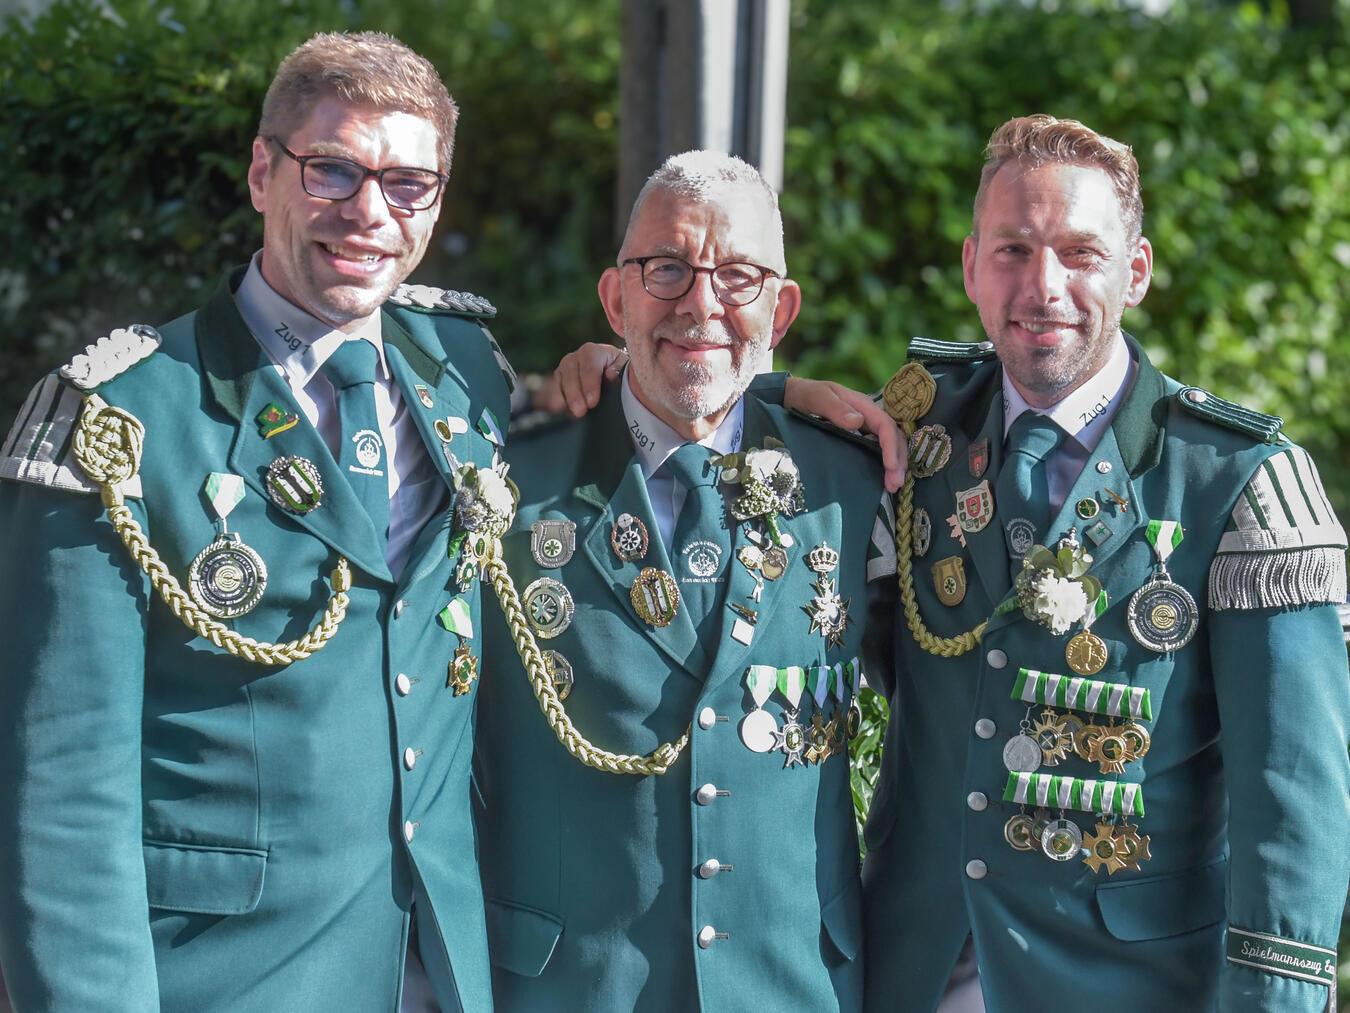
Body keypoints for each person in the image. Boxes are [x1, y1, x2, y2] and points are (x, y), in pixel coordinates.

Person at [0, 32, 513, 1010]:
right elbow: (62, 792)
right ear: (261, 173)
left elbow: (656, 403)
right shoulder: (117, 420)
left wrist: (785, 400)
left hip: (441, 974)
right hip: (228, 980)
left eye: (409, 184)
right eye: (334, 170)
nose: (370, 212)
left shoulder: (466, 374)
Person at [862, 114, 1349, 1013]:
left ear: (1137, 272)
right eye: (1013, 249)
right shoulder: (908, 437)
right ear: (971, 266)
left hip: (1128, 988)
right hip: (910, 975)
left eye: (1081, 253)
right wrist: (607, 381)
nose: (1042, 286)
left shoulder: (1238, 481)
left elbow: (1293, 805)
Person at [473, 151, 894, 1010]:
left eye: (738, 276)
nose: (701, 302)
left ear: (780, 309)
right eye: (666, 268)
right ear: (615, 298)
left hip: (792, 986)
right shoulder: (510, 478)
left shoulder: (854, 484)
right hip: (569, 988)